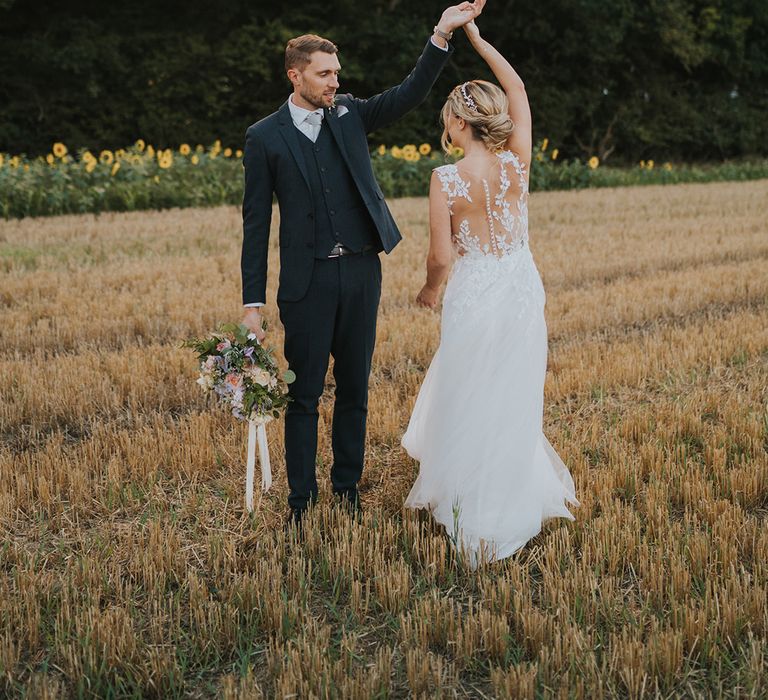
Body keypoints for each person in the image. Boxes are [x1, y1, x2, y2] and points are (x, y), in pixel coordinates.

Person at [241, 2, 488, 529]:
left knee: (355, 387)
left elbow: (408, 93)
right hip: (305, 285)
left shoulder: (350, 113)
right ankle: (301, 502)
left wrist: (441, 36)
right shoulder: (264, 137)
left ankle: (346, 488)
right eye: (325, 73)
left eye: (337, 73)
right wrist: (252, 304)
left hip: (360, 274)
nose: (335, 81)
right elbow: (255, 224)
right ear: (296, 75)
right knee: (302, 395)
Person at [401, 18, 579, 567]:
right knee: (513, 392)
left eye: (447, 119)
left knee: (468, 389)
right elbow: (519, 88)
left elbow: (441, 255)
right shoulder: (515, 163)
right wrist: (478, 41)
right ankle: (508, 499)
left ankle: (468, 505)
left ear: (457, 121)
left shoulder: (445, 179)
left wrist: (431, 290)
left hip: (475, 291)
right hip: (521, 287)